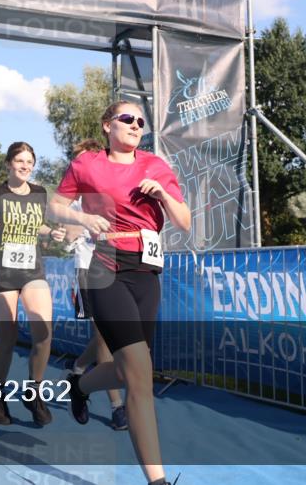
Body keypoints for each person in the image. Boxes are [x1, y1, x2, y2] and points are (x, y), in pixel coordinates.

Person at [48, 102, 191, 485]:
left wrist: (163, 194)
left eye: (141, 121)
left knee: (133, 372)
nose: (135, 125)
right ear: (108, 125)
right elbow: (54, 207)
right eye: (127, 119)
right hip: (106, 267)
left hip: (146, 273)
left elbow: (185, 221)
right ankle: (158, 481)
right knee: (141, 378)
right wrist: (82, 217)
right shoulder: (87, 165)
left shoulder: (155, 166)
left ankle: (79, 384)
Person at [0, 142, 65, 426]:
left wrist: (52, 233)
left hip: (32, 271)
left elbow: (38, 226)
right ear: (8, 163)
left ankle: (34, 391)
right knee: (8, 337)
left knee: (44, 331)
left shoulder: (40, 193)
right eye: (20, 160)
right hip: (2, 273)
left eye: (30, 161)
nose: (25, 165)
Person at [64, 138, 127, 431]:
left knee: (110, 336)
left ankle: (77, 370)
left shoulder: (111, 189)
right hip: (89, 269)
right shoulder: (73, 196)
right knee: (104, 339)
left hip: (119, 267)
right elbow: (66, 234)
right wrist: (78, 226)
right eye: (77, 160)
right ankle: (117, 407)